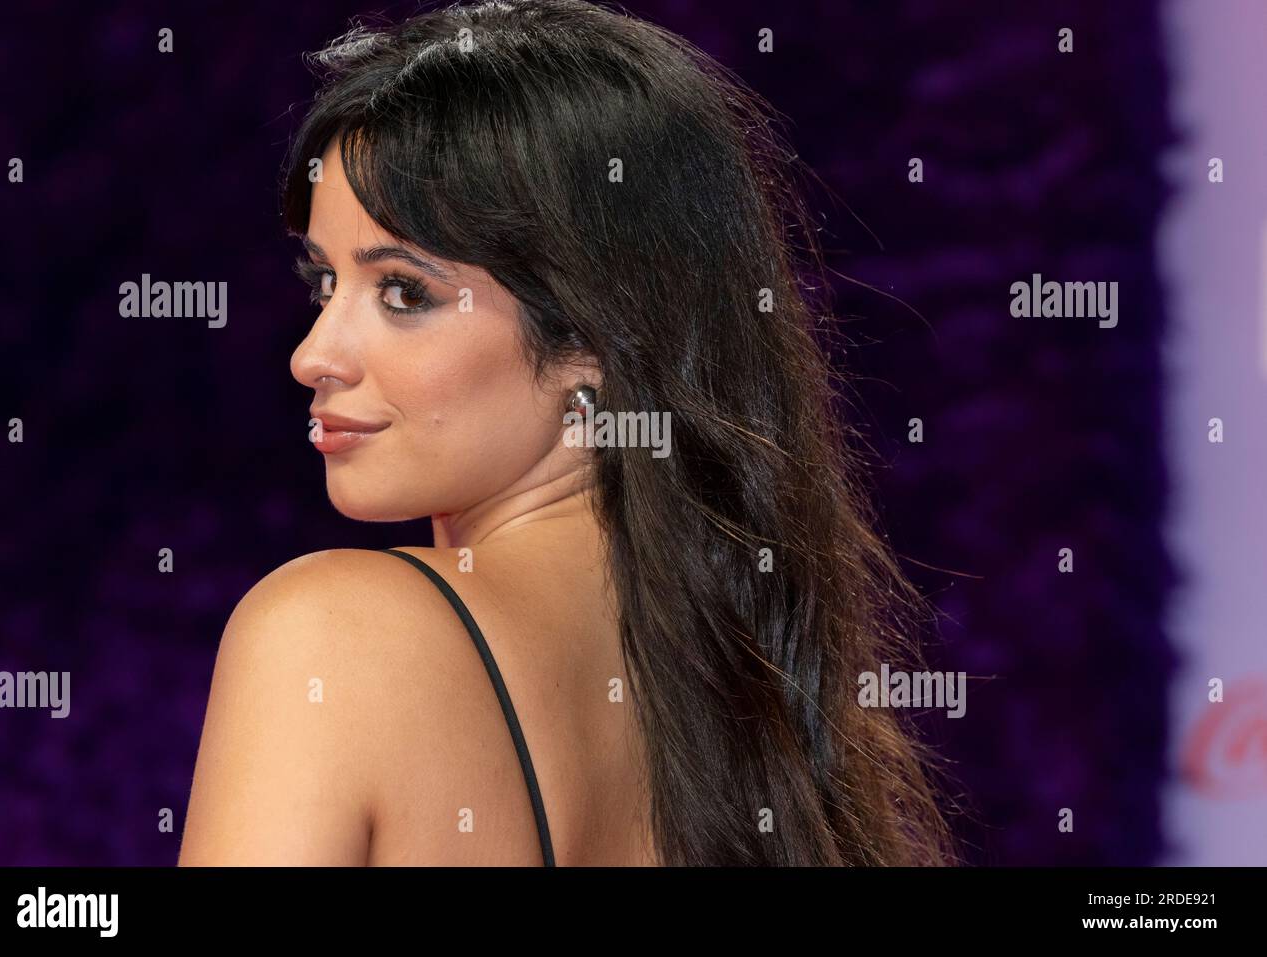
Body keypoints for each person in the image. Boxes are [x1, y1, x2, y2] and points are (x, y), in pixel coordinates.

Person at [179, 0, 953, 866]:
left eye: (404, 293)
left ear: (594, 335)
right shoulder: (757, 708)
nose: (313, 354)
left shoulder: (325, 636)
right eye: (325, 283)